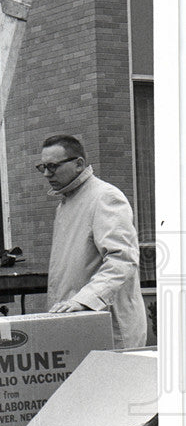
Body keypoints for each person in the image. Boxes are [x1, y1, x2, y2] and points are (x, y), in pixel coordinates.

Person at [38, 134, 148, 349]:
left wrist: (84, 300)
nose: (46, 174)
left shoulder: (105, 197)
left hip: (109, 326)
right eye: (42, 167)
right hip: (81, 323)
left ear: (79, 164)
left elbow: (123, 260)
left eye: (52, 166)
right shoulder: (66, 204)